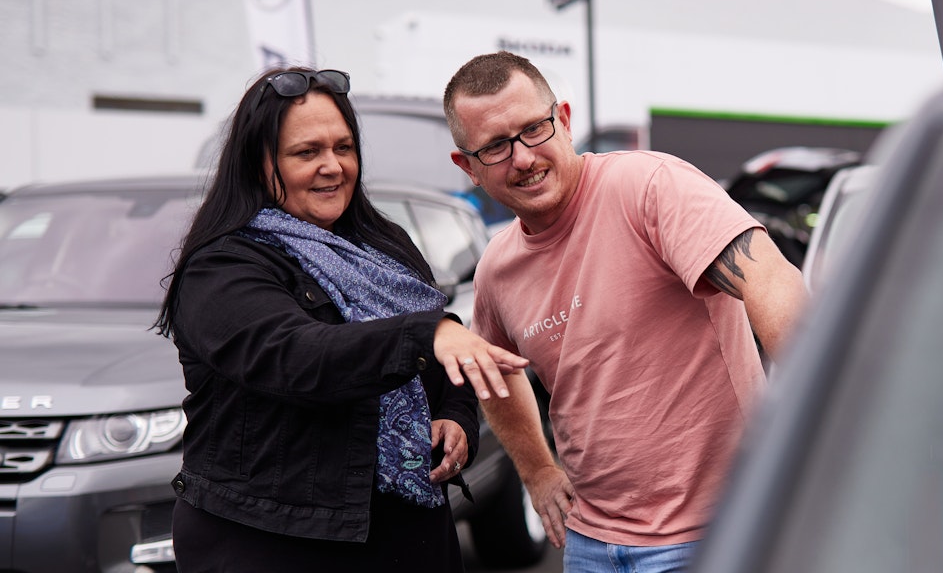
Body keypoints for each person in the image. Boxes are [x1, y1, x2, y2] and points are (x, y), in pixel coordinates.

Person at [442, 51, 809, 572]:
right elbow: (494, 371)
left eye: (534, 130)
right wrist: (537, 470)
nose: (523, 157)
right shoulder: (497, 269)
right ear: (469, 167)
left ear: (564, 121)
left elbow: (769, 279)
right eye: (497, 146)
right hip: (592, 545)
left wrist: (824, 420)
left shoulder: (649, 187)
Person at [155, 66, 529, 572]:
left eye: (344, 147)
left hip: (409, 531)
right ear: (258, 163)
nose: (332, 166)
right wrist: (427, 334)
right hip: (277, 539)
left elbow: (441, 358)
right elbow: (295, 357)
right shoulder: (222, 266)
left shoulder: (384, 245)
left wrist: (456, 416)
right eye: (307, 152)